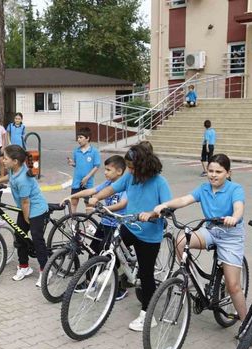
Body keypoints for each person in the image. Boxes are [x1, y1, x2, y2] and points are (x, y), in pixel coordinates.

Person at [152, 153, 247, 322]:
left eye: (218, 171)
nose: (213, 175)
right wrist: (165, 205)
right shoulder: (204, 189)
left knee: (233, 286)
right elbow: (183, 200)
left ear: (228, 173)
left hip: (230, 236)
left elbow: (238, 207)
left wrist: (234, 217)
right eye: (210, 170)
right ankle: (191, 280)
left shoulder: (235, 189)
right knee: (181, 240)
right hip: (209, 231)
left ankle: (246, 323)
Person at [90, 143, 172, 331]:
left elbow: (167, 207)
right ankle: (111, 269)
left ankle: (147, 316)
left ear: (143, 166)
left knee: (146, 275)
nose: (129, 170)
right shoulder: (130, 177)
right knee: (111, 246)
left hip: (149, 235)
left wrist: (152, 213)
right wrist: (97, 198)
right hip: (130, 226)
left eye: (132, 166)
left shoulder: (160, 182)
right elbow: (112, 189)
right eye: (128, 166)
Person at [65, 155, 128, 300]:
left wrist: (106, 208)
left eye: (108, 169)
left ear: (119, 171)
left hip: (118, 225)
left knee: (111, 256)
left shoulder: (124, 185)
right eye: (105, 169)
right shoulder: (107, 183)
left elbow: (123, 203)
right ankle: (89, 282)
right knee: (94, 251)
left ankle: (119, 288)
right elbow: (91, 191)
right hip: (105, 224)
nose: (105, 172)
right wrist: (72, 196)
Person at [0, 145, 49, 286]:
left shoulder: (23, 179)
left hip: (35, 209)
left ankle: (46, 271)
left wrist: (26, 218)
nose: (2, 160)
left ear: (15, 161)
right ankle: (24, 267)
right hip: (25, 208)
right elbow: (9, 177)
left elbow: (25, 202)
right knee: (20, 236)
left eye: (5, 158)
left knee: (37, 239)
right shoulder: (14, 170)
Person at [67, 128, 101, 213]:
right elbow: (77, 165)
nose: (78, 140)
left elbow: (96, 166)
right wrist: (72, 164)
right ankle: (72, 222)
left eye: (80, 137)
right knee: (73, 202)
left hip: (88, 182)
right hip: (76, 181)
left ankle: (88, 224)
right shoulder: (76, 151)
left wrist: (87, 177)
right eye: (78, 138)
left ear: (87, 138)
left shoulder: (94, 151)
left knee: (88, 204)